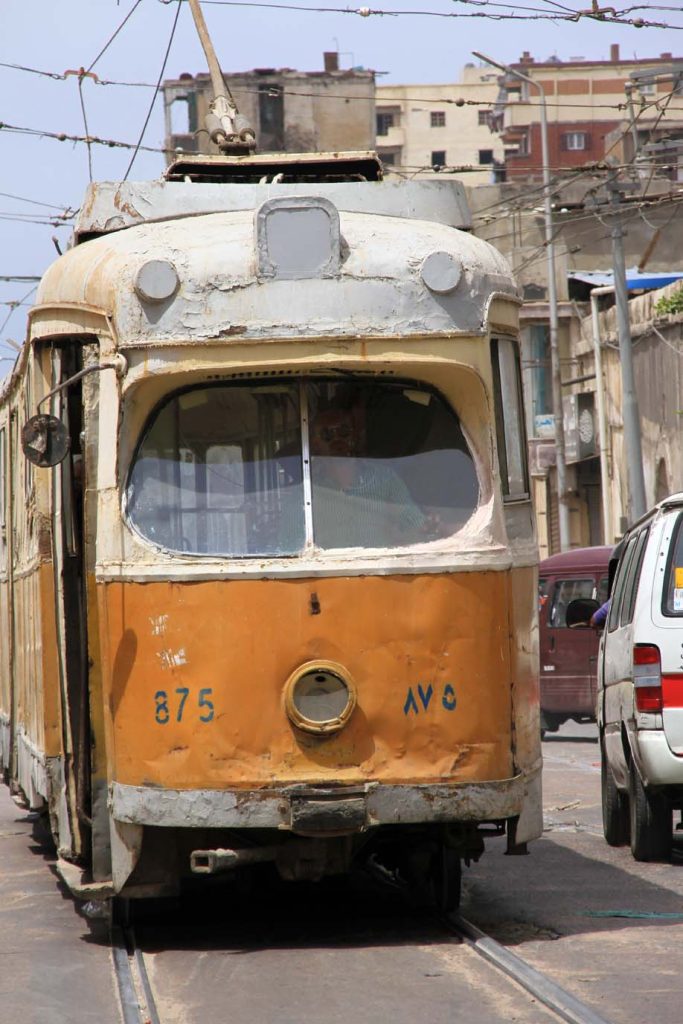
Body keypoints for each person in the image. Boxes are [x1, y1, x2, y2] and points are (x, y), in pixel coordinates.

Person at [309, 404, 437, 548]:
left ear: (355, 437)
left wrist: (429, 527)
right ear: (315, 445)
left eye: (344, 432)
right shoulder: (308, 490)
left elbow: (415, 523)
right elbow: (294, 544)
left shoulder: (385, 479)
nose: (337, 440)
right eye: (327, 435)